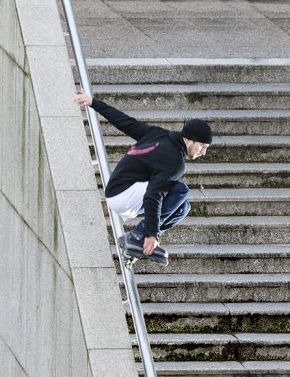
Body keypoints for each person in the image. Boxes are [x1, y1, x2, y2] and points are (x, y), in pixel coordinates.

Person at [74, 92, 212, 264]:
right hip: (124, 194)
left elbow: (126, 123)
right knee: (181, 191)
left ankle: (135, 243)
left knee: (183, 208)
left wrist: (94, 102)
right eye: (203, 146)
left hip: (118, 191)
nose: (203, 152)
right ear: (191, 140)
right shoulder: (175, 162)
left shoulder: (158, 134)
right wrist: (151, 234)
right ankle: (138, 236)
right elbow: (154, 195)